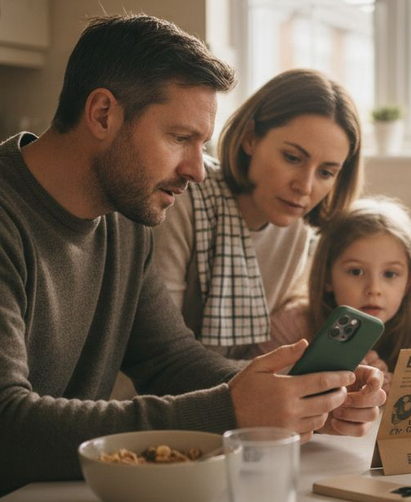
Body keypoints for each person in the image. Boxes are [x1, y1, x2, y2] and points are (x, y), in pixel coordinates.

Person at [0, 14, 384, 502]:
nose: (197, 170)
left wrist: (300, 396)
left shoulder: (124, 219)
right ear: (102, 114)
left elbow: (169, 359)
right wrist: (231, 409)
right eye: (180, 138)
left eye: (201, 144)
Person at [154, 68, 363, 360]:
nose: (304, 187)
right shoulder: (182, 199)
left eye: (326, 172)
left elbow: (262, 351)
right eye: (292, 158)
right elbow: (162, 347)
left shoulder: (296, 230)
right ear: (250, 138)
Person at [253, 197, 411, 378]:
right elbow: (252, 382)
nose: (374, 289)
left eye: (390, 274)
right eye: (356, 272)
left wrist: (388, 389)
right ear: (327, 278)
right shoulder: (290, 326)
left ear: (408, 283)